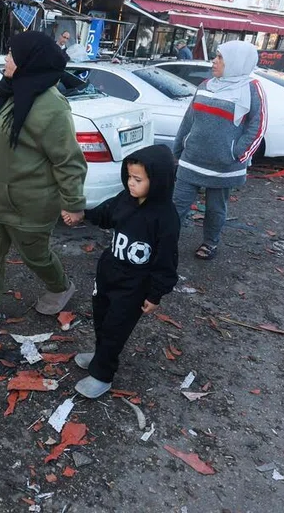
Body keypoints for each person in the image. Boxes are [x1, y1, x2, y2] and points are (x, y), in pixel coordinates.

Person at [0, 31, 87, 325]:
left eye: (12, 54)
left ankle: (61, 287)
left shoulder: (51, 106)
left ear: (29, 60)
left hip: (28, 205)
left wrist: (73, 202)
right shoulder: (6, 89)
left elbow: (68, 160)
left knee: (35, 256)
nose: (6, 58)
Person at [74, 145, 180, 398]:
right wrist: (83, 214)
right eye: (129, 177)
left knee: (115, 328)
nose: (131, 184)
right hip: (108, 275)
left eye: (138, 180)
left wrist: (155, 295)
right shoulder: (125, 199)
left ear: (158, 181)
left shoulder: (165, 218)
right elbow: (105, 214)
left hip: (134, 286)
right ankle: (100, 356)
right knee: (100, 318)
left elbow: (166, 262)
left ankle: (103, 374)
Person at [172, 40, 267, 261]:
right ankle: (166, 241)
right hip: (192, 158)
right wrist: (178, 149)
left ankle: (210, 243)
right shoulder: (206, 85)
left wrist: (237, 153)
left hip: (224, 164)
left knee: (215, 209)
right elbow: (189, 119)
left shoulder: (252, 89)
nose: (214, 61)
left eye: (220, 57)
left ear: (236, 61)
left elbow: (258, 125)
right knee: (177, 204)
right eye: (216, 56)